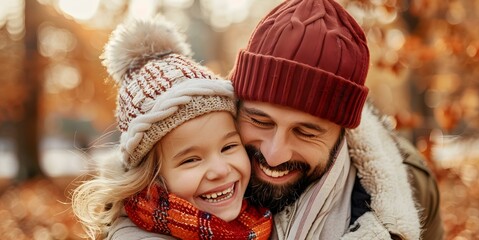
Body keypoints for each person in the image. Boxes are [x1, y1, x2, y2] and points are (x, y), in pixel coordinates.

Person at [107, 0, 444, 239]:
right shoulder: (162, 190)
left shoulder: (411, 193)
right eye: (261, 121)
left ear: (343, 132)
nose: (273, 154)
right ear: (237, 104)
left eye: (306, 131)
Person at [71, 18, 272, 240]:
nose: (221, 170)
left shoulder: (254, 220)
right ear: (151, 179)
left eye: (228, 146)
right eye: (191, 160)